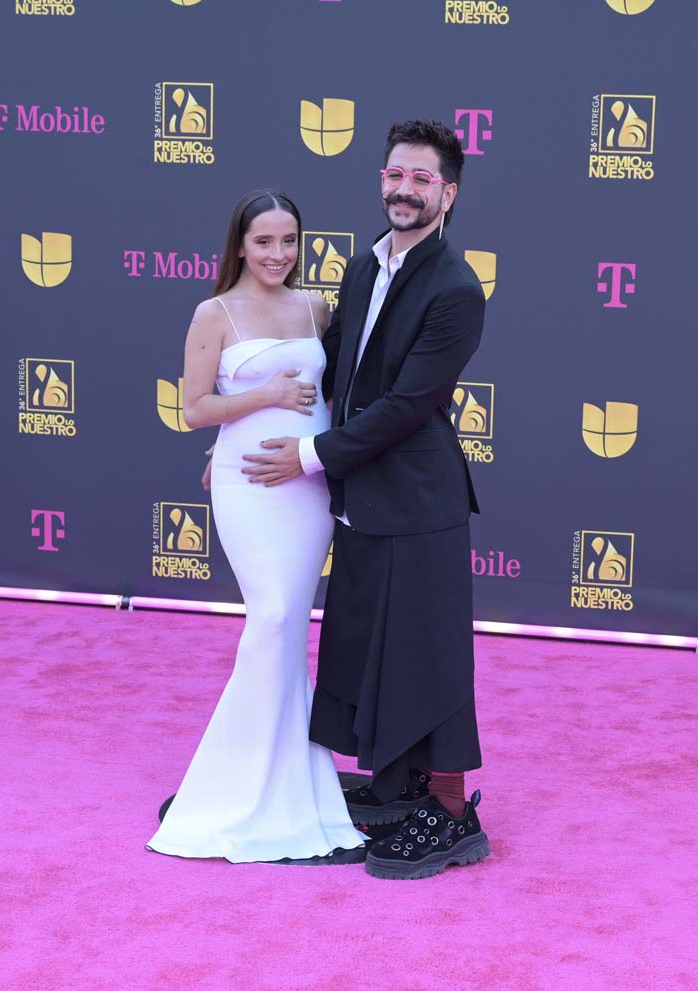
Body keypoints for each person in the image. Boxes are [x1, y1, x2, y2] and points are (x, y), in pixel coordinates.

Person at [241, 120, 491, 879]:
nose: (403, 189)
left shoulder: (455, 287)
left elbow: (410, 401)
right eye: (394, 174)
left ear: (447, 193)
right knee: (372, 643)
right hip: (361, 495)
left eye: (421, 178)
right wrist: (237, 434)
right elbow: (334, 374)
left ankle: (450, 811)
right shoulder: (360, 268)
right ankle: (398, 782)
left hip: (418, 497)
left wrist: (311, 456)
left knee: (427, 654)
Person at [147, 190, 366, 864]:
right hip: (248, 486)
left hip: (307, 486)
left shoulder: (316, 306)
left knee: (289, 625)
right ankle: (235, 786)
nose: (279, 254)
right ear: (240, 244)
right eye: (265, 241)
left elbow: (338, 393)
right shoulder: (213, 312)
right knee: (271, 618)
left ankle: (292, 782)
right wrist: (262, 401)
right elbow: (194, 407)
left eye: (290, 240)